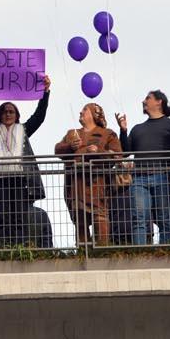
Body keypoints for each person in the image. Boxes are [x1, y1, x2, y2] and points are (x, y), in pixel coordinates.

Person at [0, 75, 52, 247]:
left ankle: (18, 248)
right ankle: (3, 248)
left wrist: (45, 92)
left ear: (17, 115)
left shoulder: (24, 130)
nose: (7, 113)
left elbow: (39, 116)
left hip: (19, 179)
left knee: (19, 216)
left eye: (11, 111)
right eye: (4, 111)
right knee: (1, 216)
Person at [114, 90, 170, 245]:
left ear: (159, 102)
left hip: (162, 176)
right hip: (139, 178)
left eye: (148, 98)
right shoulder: (137, 128)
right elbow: (125, 153)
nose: (144, 101)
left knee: (165, 217)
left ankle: (166, 252)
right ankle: (140, 253)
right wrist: (123, 130)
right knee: (139, 218)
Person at [55, 103, 121, 246]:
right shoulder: (72, 133)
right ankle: (82, 251)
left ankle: (102, 250)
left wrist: (97, 152)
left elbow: (117, 155)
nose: (80, 112)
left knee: (100, 216)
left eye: (85, 109)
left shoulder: (107, 133)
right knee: (80, 220)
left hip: (98, 184)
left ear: (94, 114)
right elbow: (58, 150)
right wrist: (69, 147)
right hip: (76, 185)